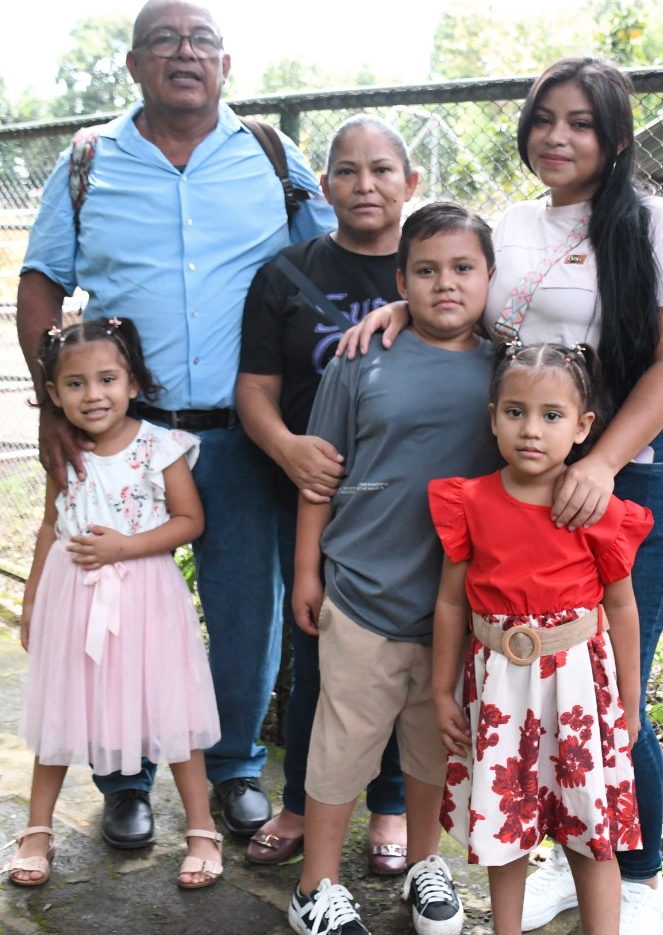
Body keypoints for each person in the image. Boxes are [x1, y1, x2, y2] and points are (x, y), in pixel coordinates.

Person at [341, 55, 663, 935]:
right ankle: (553, 856)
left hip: (630, 473)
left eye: (581, 122)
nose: (557, 136)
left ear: (617, 137)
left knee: (611, 685)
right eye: (545, 118)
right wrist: (406, 312)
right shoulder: (515, 224)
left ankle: (638, 875)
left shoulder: (658, 227)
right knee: (527, 689)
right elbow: (466, 298)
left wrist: (602, 464)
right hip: (522, 482)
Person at [17, 0, 336, 850]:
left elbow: (341, 250)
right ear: (134, 64)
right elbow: (42, 281)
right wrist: (52, 406)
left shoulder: (272, 155)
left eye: (201, 40)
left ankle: (233, 770)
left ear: (226, 64)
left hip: (243, 435)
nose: (184, 53)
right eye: (164, 40)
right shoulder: (88, 162)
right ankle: (124, 781)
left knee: (247, 613)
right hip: (124, 438)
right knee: (111, 608)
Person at [287, 203, 500, 935]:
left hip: (458, 608)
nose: (447, 284)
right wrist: (308, 571)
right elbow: (323, 474)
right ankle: (315, 884)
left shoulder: (508, 366)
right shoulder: (361, 358)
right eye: (427, 270)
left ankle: (424, 865)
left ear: (490, 277)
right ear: (401, 279)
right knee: (342, 744)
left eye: (464, 268)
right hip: (363, 593)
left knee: (431, 744)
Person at [236, 114, 419, 873]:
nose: (364, 184)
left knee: (408, 659)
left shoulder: (439, 264)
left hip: (411, 506)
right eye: (346, 170)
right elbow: (254, 389)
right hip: (314, 501)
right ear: (324, 187)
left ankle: (392, 809)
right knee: (319, 658)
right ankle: (301, 806)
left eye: (382, 169)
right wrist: (288, 447)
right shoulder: (286, 274)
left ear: (411, 183)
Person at [429, 342, 650, 935]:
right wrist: (441, 690)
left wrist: (629, 702)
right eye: (515, 412)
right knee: (506, 827)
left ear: (583, 428)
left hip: (578, 690)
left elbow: (622, 607)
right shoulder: (470, 502)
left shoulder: (594, 509)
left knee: (588, 829)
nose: (532, 430)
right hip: (498, 692)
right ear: (493, 415)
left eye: (552, 416)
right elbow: (451, 602)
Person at [8, 318, 223, 891]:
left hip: (147, 598)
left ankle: (202, 832)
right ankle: (37, 829)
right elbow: (52, 527)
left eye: (107, 379)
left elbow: (190, 520)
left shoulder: (160, 446)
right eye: (74, 384)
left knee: (170, 710)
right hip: (71, 598)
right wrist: (32, 602)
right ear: (54, 395)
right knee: (63, 707)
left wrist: (125, 547)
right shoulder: (63, 451)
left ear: (133, 382)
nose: (93, 394)